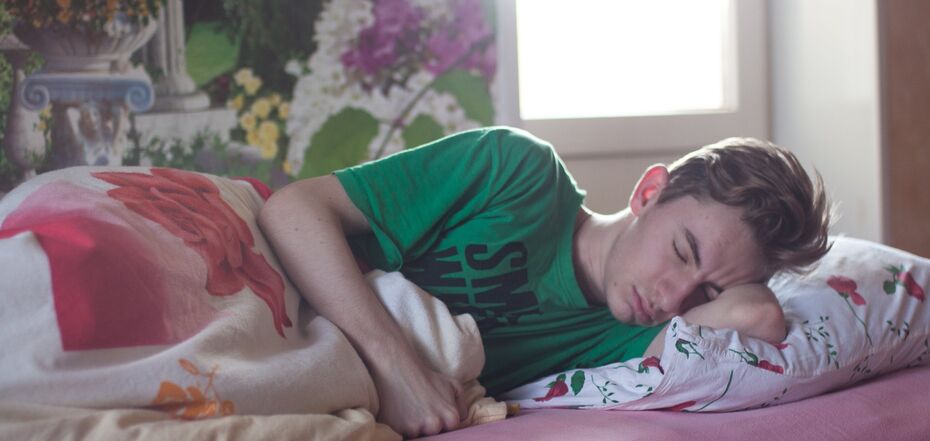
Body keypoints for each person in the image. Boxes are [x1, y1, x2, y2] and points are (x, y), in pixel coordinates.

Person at [258, 126, 831, 437]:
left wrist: (735, 284)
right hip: (276, 287)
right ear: (649, 191)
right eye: (682, 252)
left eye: (709, 292)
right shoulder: (517, 172)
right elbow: (293, 211)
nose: (675, 298)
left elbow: (761, 317)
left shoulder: (627, 341)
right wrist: (398, 367)